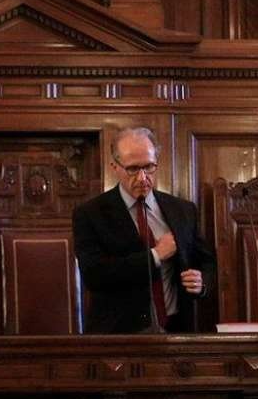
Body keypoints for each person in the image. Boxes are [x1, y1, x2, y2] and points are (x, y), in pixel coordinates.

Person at [73, 127, 216, 333]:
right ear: (115, 167)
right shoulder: (90, 213)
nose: (142, 177)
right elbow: (94, 275)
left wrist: (201, 282)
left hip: (177, 330)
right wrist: (155, 255)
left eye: (149, 167)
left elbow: (206, 261)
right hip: (118, 334)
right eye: (133, 169)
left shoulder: (183, 210)